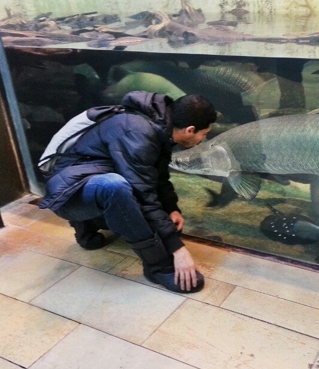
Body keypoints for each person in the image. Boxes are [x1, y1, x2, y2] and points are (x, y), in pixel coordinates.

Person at [38, 91, 217, 293]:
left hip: (82, 181)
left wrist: (171, 208)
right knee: (114, 186)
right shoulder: (139, 133)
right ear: (190, 130)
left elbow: (156, 177)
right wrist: (177, 249)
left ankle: (86, 227)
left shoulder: (159, 128)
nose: (203, 140)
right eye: (204, 134)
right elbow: (142, 194)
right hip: (67, 194)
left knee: (132, 196)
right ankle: (158, 267)